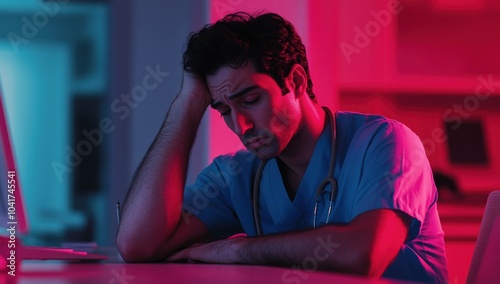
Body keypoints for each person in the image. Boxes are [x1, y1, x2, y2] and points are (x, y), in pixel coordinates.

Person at [116, 12, 448, 283]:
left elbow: (363, 254)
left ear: (297, 81)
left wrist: (235, 251)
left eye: (250, 100)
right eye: (223, 110)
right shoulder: (237, 175)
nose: (240, 126)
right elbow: (138, 245)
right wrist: (186, 105)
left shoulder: (386, 142)